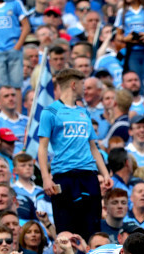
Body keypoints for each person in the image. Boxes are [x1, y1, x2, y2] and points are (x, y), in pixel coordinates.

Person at [37, 68, 112, 241]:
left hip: (88, 176)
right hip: (64, 176)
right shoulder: (50, 112)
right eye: (82, 85)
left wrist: (105, 173)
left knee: (92, 229)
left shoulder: (83, 112)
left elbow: (93, 147)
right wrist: (46, 178)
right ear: (73, 85)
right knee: (66, 232)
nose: (83, 89)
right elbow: (43, 147)